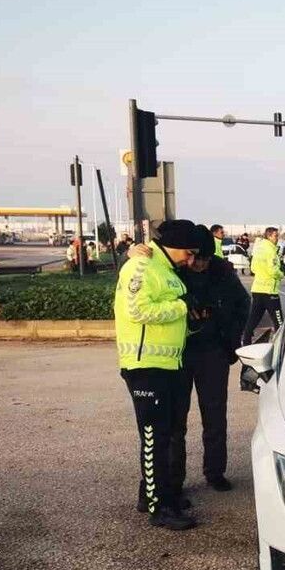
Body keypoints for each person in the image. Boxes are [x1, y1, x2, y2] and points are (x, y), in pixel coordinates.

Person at [114, 220, 200, 531]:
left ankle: (156, 493)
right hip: (145, 367)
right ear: (174, 245)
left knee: (167, 434)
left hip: (169, 365)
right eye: (188, 253)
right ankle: (159, 508)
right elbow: (137, 310)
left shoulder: (163, 268)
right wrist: (180, 307)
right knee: (154, 438)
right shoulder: (141, 266)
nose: (190, 260)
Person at [168, 224, 250, 493]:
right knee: (176, 420)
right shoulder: (175, 269)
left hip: (214, 351)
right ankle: (175, 478)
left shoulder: (223, 271)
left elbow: (243, 304)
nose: (198, 264)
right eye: (195, 259)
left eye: (204, 259)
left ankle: (215, 471)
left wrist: (234, 337)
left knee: (215, 416)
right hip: (180, 352)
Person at [242, 227, 285, 345]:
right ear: (269, 236)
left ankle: (246, 343)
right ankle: (281, 346)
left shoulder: (258, 249)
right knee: (279, 323)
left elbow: (253, 268)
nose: (277, 239)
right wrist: (281, 274)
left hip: (257, 289)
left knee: (253, 319)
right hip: (270, 291)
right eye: (276, 236)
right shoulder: (271, 250)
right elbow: (273, 270)